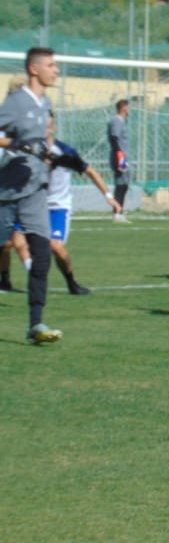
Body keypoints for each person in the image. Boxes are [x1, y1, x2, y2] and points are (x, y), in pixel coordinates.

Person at [0, 46, 62, 343]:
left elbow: (39, 143)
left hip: (35, 191)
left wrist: (49, 157)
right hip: (6, 191)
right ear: (34, 69)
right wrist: (14, 144)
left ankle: (36, 323)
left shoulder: (45, 102)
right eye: (51, 65)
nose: (56, 70)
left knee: (42, 254)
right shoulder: (16, 102)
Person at [43, 112, 123, 295]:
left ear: (53, 127)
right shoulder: (28, 148)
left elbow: (91, 172)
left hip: (58, 207)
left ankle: (71, 282)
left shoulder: (65, 152)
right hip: (34, 206)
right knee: (13, 241)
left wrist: (109, 196)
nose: (44, 129)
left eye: (48, 125)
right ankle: (8, 280)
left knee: (56, 246)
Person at [107, 98, 131, 222]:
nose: (129, 110)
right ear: (124, 108)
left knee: (124, 184)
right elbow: (114, 138)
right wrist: (119, 155)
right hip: (119, 157)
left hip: (123, 157)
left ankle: (120, 211)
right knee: (121, 185)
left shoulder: (122, 121)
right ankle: (117, 213)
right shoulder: (116, 120)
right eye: (128, 107)